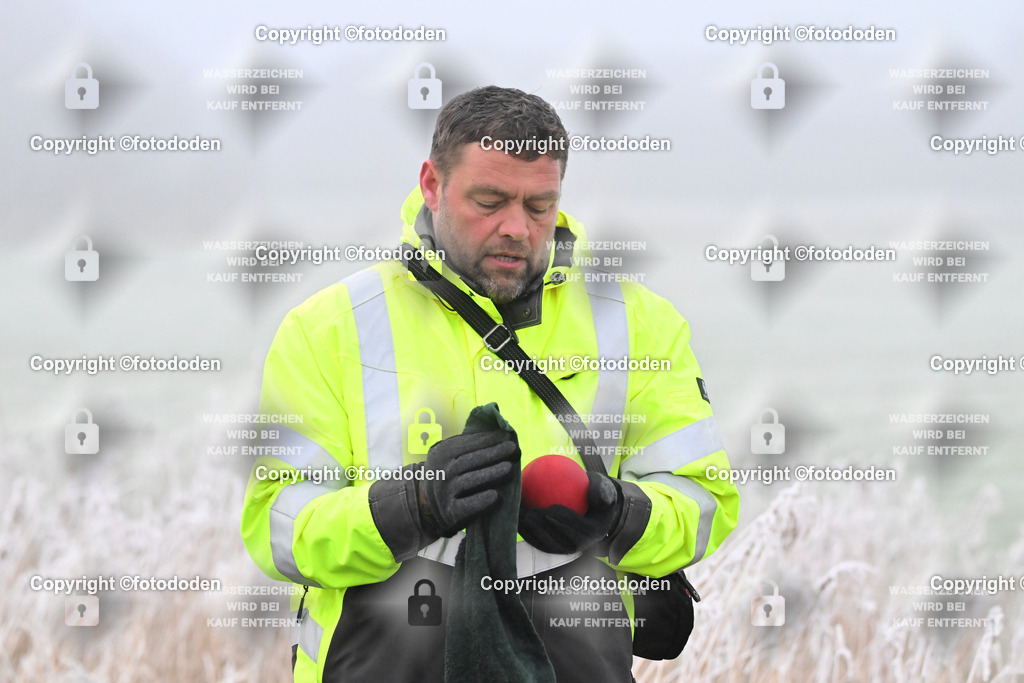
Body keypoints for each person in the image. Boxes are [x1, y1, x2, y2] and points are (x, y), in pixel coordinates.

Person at [241, 85, 739, 682]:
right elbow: (279, 529)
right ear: (432, 184)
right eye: (490, 200)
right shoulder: (326, 329)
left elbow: (702, 503)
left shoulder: (641, 324)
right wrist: (407, 507)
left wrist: (616, 516)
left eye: (538, 206)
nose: (516, 228)